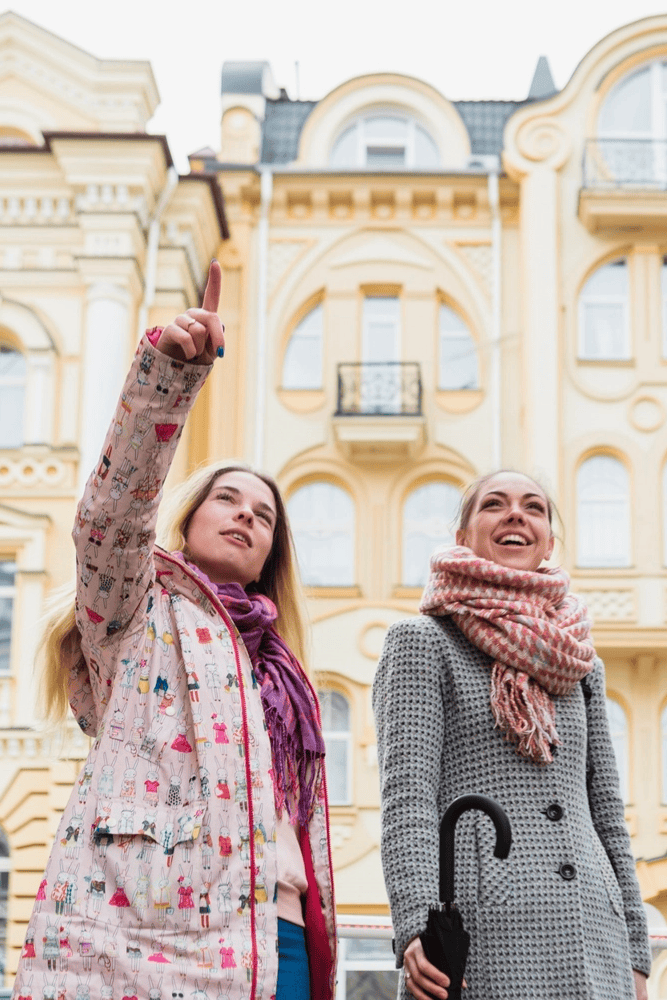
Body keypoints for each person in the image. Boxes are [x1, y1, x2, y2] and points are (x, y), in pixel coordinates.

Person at [13, 261, 336, 1000]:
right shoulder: (139, 611)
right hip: (141, 936)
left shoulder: (284, 670)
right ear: (186, 522)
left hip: (276, 934)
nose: (247, 515)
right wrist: (167, 376)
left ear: (270, 555)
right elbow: (107, 521)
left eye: (264, 515)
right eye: (227, 498)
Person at [373, 470, 651, 1000]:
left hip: (597, 929)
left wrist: (636, 950)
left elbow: (607, 815)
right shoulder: (422, 642)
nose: (515, 514)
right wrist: (415, 922)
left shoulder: (580, 662)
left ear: (548, 540)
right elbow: (407, 797)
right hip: (484, 926)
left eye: (534, 507)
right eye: (494, 505)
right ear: (463, 538)